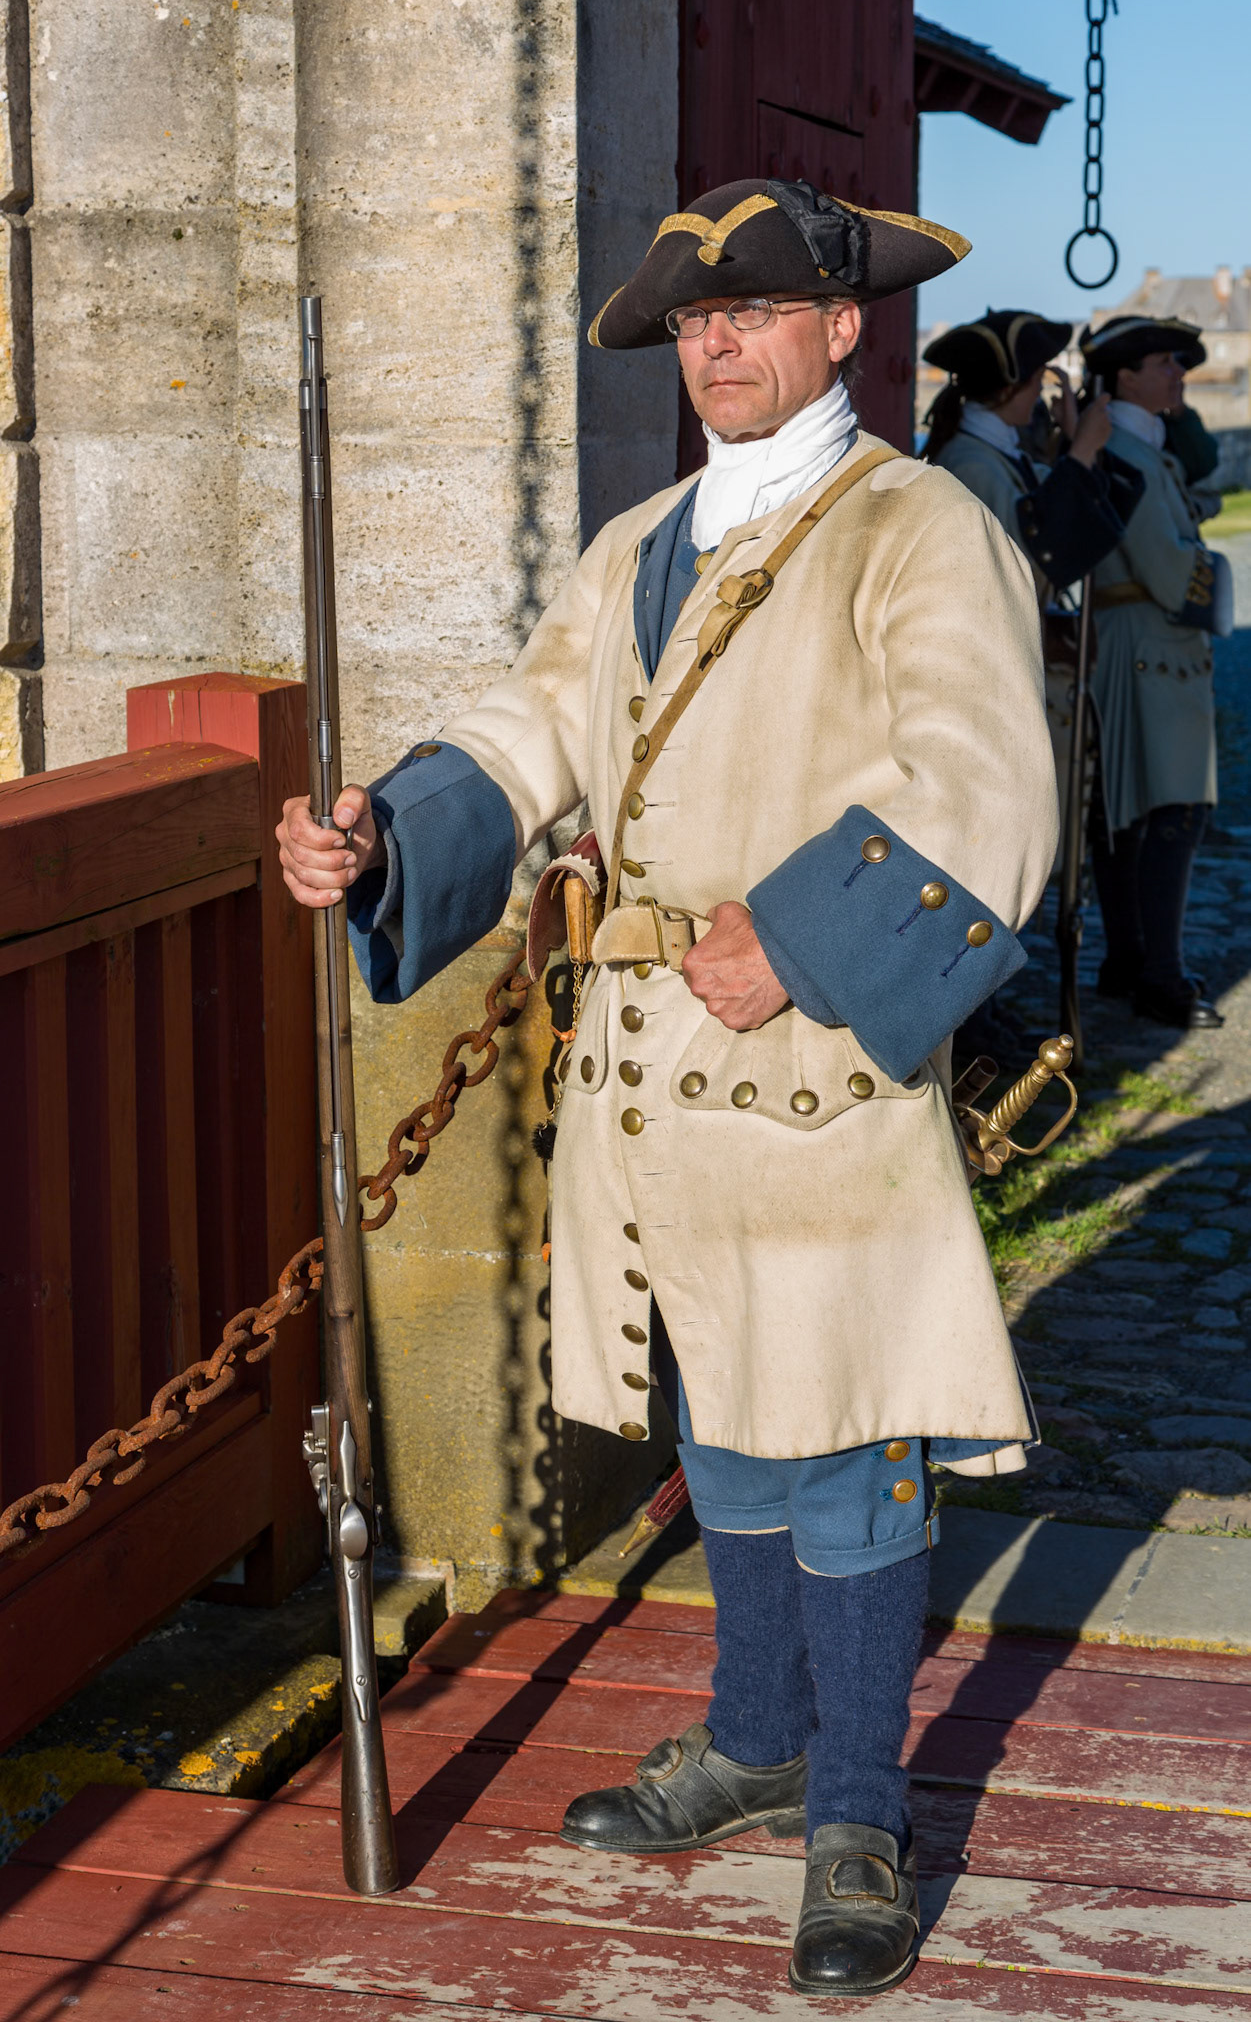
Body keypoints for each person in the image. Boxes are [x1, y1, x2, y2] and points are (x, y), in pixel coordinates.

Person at [277, 179, 1058, 1998]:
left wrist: (800, 938)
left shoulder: (919, 528)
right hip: (648, 1073)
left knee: (849, 1436)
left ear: (841, 328)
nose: (718, 344)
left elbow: (984, 778)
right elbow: (526, 727)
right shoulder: (636, 543)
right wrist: (386, 827)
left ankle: (859, 1803)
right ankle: (756, 1731)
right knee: (720, 1417)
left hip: (814, 1064)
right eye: (696, 323)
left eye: (761, 311)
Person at [920, 310, 1143, 1063]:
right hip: (982, 687)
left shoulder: (996, 451)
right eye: (1044, 377)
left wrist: (1066, 452)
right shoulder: (972, 463)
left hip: (1011, 672)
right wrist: (1077, 455)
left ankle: (978, 1017)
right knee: (983, 860)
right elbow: (1021, 567)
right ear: (1019, 385)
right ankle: (965, 1026)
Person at [1079, 315, 1233, 1029]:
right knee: (1172, 811)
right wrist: (1217, 571)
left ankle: (1129, 960)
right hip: (1150, 647)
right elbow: (1171, 571)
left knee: (1124, 814)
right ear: (1125, 376)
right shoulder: (1132, 454)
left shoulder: (1138, 447)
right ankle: (1160, 977)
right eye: (1165, 363)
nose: (1178, 374)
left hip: (1137, 645)